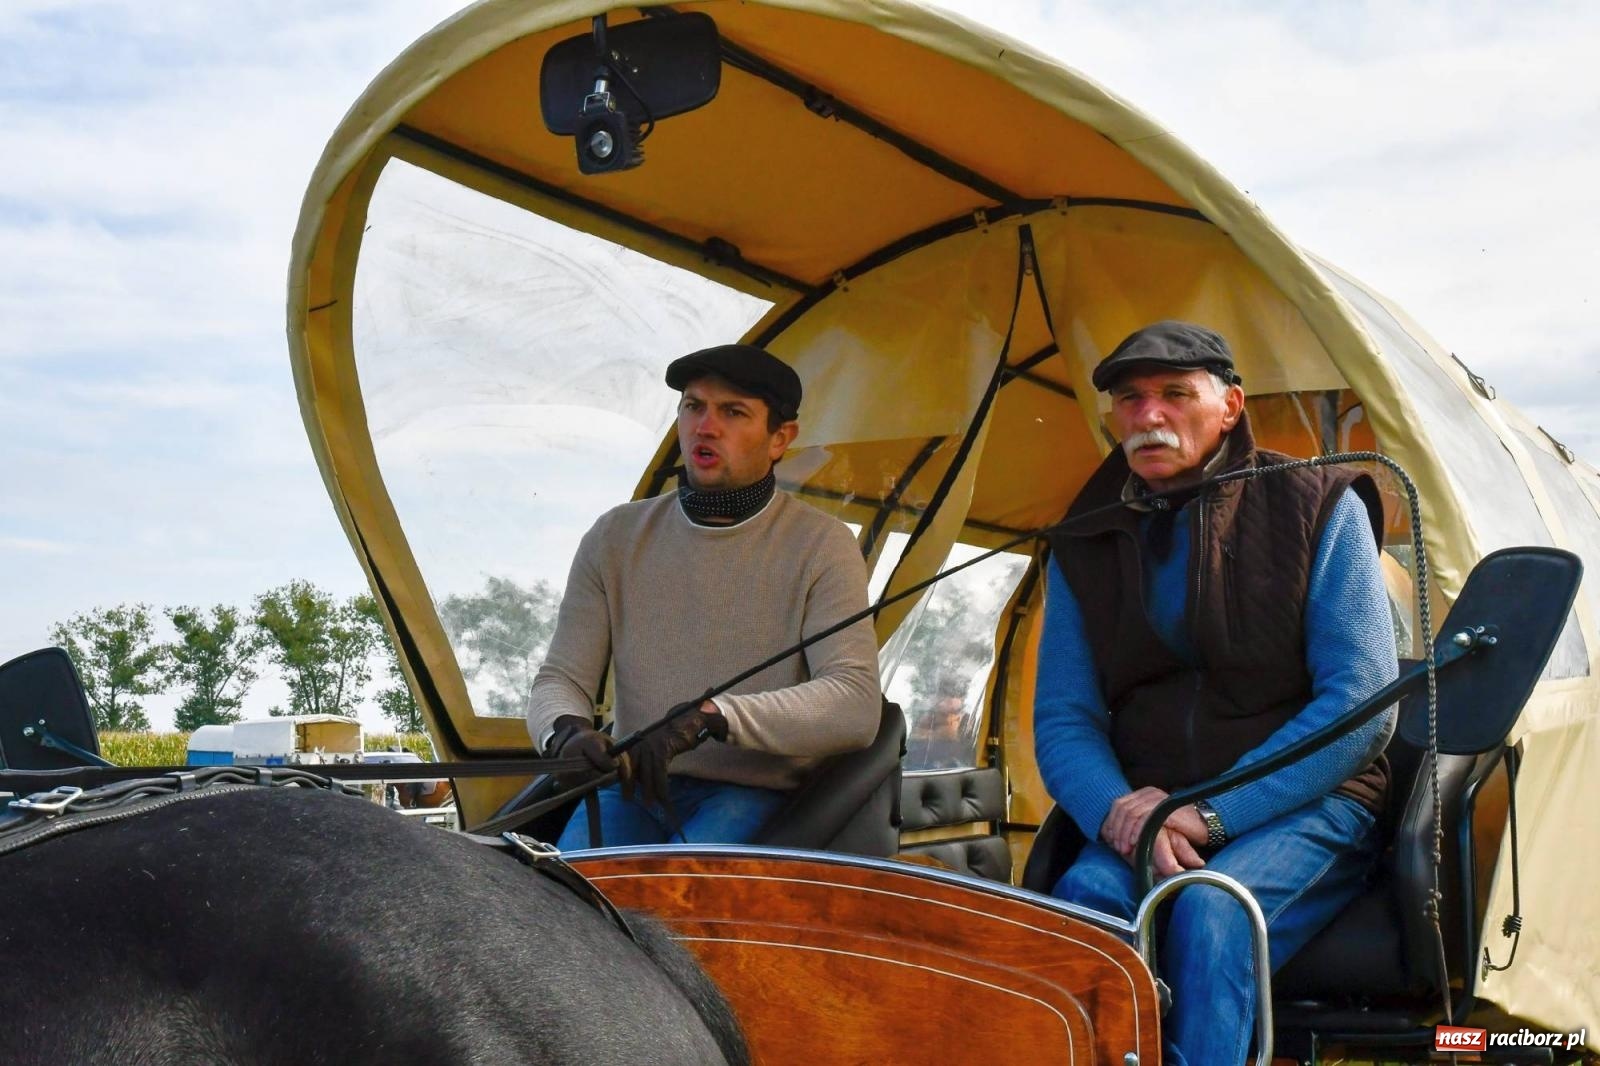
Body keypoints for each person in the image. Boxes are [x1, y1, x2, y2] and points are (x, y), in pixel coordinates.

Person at [1033, 321, 1397, 1066]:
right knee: (1081, 909)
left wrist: (1211, 812)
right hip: (1149, 813)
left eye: (1175, 394)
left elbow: (1362, 706)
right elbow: (1064, 718)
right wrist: (1119, 813)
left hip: (1308, 803)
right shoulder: (1083, 540)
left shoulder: (1321, 504)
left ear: (1229, 406)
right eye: (1130, 401)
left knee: (1210, 907)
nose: (1150, 416)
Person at [526, 343, 881, 849]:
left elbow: (854, 704)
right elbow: (560, 678)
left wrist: (711, 718)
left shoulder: (823, 545)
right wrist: (566, 731)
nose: (704, 427)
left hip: (752, 795)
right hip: (628, 790)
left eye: (733, 412)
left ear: (781, 438)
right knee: (565, 904)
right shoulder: (615, 537)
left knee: (672, 909)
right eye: (693, 406)